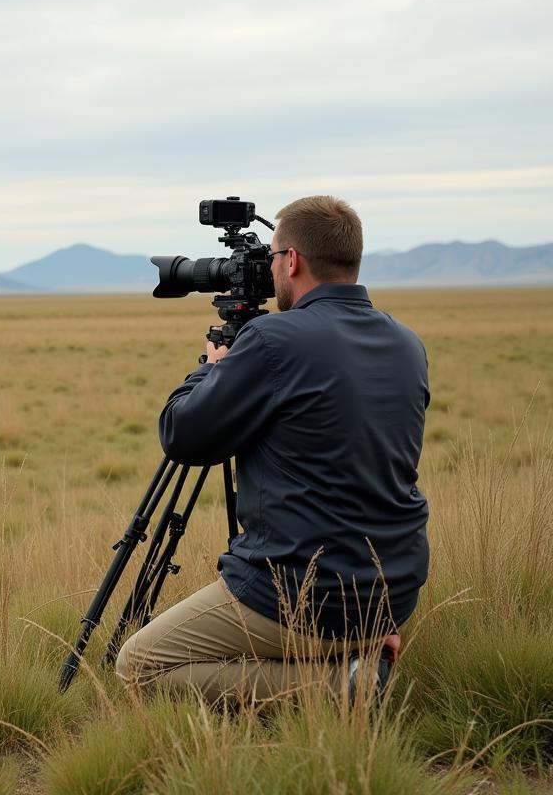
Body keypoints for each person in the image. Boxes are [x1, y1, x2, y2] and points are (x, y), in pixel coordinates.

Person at [115, 195, 429, 703]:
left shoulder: (272, 340)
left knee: (139, 667)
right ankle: (359, 648)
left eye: (272, 256)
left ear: (293, 261)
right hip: (391, 589)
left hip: (304, 594)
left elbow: (182, 436)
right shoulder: (406, 342)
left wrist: (213, 369)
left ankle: (341, 685)